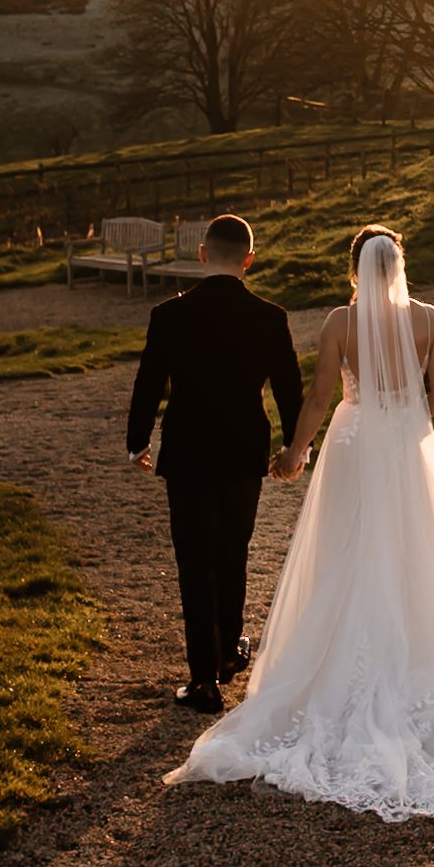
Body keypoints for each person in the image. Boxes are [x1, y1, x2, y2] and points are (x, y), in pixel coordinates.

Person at [165, 223, 434, 819]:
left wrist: (293, 454)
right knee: (415, 557)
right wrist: (424, 395)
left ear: (354, 269)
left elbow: (317, 397)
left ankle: (333, 673)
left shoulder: (341, 322)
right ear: (399, 266)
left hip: (355, 440)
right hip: (406, 447)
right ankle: (419, 673)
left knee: (345, 554)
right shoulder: (430, 319)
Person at [125, 213, 303, 714]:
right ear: (249, 259)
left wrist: (137, 441)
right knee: (233, 549)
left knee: (193, 559)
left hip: (187, 450)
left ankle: (205, 677)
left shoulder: (169, 315)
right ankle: (229, 652)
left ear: (201, 254)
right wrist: (296, 447)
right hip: (244, 448)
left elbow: (149, 383)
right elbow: (290, 390)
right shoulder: (271, 317)